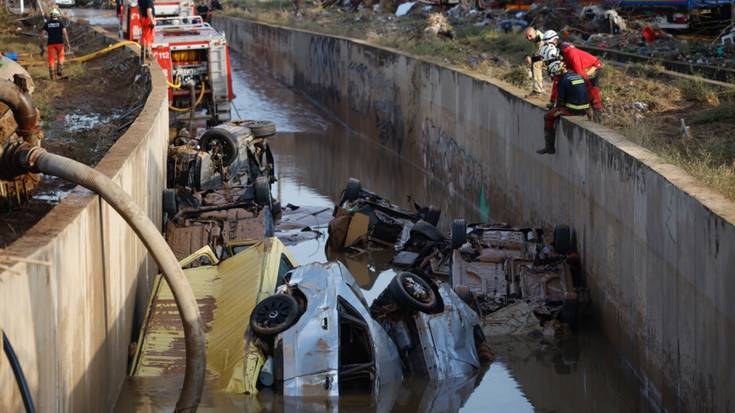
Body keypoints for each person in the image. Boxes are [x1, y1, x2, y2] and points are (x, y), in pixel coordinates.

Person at [544, 30, 604, 121]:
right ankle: (586, 110)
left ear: (555, 40)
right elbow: (557, 79)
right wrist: (552, 102)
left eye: (549, 44)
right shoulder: (558, 53)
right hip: (579, 67)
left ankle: (596, 111)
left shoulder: (570, 53)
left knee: (588, 87)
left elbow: (581, 75)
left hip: (592, 67)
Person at [538, 60, 590, 155]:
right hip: (585, 109)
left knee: (548, 117)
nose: (553, 77)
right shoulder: (577, 75)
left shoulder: (563, 81)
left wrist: (555, 110)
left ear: (558, 72)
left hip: (572, 110)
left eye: (554, 75)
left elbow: (560, 101)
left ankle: (549, 148)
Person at [39, 8, 71, 80]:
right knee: (61, 57)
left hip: (51, 44)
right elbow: (65, 33)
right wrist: (68, 43)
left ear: (51, 16)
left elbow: (42, 35)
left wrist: (41, 44)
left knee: (51, 60)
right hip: (60, 43)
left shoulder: (47, 24)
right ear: (58, 16)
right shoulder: (60, 23)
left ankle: (52, 77)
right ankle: (59, 71)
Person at [523, 27, 546, 97]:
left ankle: (538, 91)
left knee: (536, 65)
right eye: (527, 37)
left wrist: (531, 59)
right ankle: (539, 88)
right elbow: (536, 54)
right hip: (548, 56)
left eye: (530, 36)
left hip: (553, 58)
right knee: (534, 63)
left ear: (535, 33)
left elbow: (541, 57)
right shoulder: (536, 37)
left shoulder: (540, 40)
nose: (529, 38)